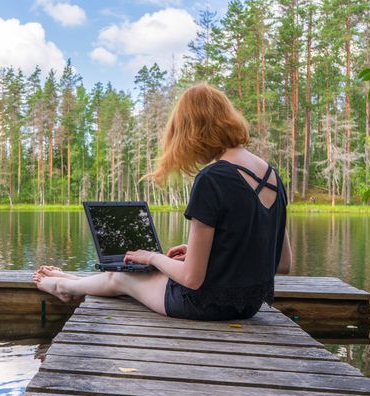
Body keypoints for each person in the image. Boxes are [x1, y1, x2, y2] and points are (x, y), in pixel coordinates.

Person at [33, 83, 292, 320]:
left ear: (192, 131)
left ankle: (64, 287)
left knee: (124, 276)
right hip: (249, 305)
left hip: (205, 305)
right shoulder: (271, 176)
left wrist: (153, 257)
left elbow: (192, 279)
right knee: (141, 272)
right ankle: (72, 280)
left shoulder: (213, 178)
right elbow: (282, 263)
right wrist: (215, 253)